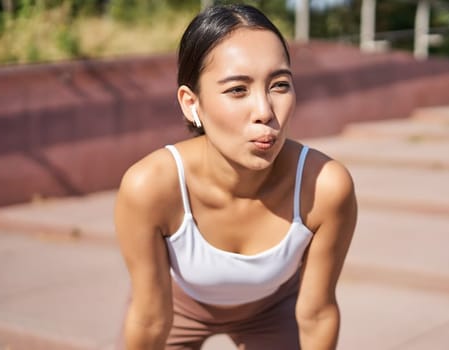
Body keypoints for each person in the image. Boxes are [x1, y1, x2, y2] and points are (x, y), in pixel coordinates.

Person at [114, 4, 357, 350]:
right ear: (190, 103)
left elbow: (317, 314)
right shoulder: (151, 187)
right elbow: (150, 319)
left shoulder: (324, 187)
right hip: (176, 309)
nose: (264, 111)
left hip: (274, 308)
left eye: (280, 85)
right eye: (237, 90)